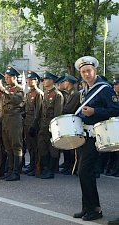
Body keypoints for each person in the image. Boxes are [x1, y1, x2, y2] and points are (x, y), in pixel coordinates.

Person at [73, 56, 119, 221]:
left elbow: (115, 109)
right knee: (84, 173)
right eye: (83, 72)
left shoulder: (104, 89)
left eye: (89, 71)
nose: (86, 74)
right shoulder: (85, 90)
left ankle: (95, 209)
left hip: (97, 135)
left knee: (85, 172)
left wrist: (95, 112)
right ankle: (87, 208)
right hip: (85, 135)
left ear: (95, 71)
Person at [0, 66, 25, 181]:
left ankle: (16, 172)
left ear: (14, 78)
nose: (6, 79)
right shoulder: (7, 88)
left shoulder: (19, 89)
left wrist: (4, 91)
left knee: (16, 145)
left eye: (9, 77)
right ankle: (10, 170)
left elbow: (17, 100)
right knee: (7, 146)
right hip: (5, 119)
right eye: (6, 77)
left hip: (15, 118)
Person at [37, 71, 64, 179]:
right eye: (43, 79)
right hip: (43, 125)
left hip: (52, 125)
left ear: (52, 81)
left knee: (52, 148)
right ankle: (45, 167)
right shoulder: (46, 94)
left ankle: (51, 170)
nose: (44, 81)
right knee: (42, 147)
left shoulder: (58, 95)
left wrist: (53, 127)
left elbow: (58, 113)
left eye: (46, 79)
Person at [23, 71, 43, 177]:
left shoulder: (39, 93)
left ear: (37, 81)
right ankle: (31, 165)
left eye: (32, 80)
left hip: (33, 123)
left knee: (35, 147)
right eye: (28, 80)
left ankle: (36, 166)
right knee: (30, 146)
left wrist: (35, 125)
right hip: (27, 122)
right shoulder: (28, 93)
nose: (29, 81)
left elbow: (38, 111)